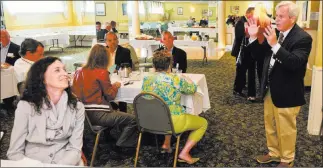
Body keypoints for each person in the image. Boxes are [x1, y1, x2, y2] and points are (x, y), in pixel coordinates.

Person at [246, 1, 313, 167]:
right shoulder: (277, 33)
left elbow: (294, 63)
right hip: (270, 89)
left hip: (288, 92)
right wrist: (254, 37)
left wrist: (275, 44)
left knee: (286, 129)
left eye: (281, 16)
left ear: (292, 18)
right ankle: (274, 153)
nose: (277, 19)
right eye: (276, 16)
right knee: (270, 125)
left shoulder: (303, 38)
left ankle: (287, 159)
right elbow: (259, 56)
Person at [7, 56, 85, 166]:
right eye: (57, 70)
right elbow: (14, 152)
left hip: (66, 161)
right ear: (42, 77)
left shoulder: (77, 107)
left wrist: (60, 165)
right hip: (32, 162)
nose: (65, 74)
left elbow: (75, 148)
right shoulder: (26, 106)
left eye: (64, 69)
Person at [142, 50, 208, 164]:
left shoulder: (146, 79)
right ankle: (184, 153)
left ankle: (166, 144)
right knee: (203, 123)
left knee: (165, 111)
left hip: (150, 120)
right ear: (170, 65)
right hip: (173, 122)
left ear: (153, 65)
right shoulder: (176, 79)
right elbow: (192, 89)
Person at [72, 44, 137, 148]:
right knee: (133, 120)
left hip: (82, 115)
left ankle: (108, 136)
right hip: (98, 115)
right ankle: (122, 144)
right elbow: (110, 95)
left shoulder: (78, 72)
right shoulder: (102, 72)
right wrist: (115, 86)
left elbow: (92, 88)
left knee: (114, 107)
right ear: (105, 58)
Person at [232, 7, 256, 101]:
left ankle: (242, 85)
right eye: (253, 14)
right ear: (248, 13)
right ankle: (237, 90)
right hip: (240, 51)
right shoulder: (240, 22)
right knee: (240, 71)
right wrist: (249, 34)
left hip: (247, 51)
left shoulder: (248, 22)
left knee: (244, 70)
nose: (254, 16)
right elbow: (239, 36)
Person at [0, 29, 21, 111]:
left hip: (9, 73)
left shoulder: (16, 48)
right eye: (1, 37)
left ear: (9, 37)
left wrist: (11, 64)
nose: (3, 39)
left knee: (8, 89)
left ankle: (10, 104)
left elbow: (20, 60)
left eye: (5, 36)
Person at [253, 3, 272, 86]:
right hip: (266, 43)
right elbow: (269, 32)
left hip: (257, 44)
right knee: (266, 64)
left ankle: (261, 82)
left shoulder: (255, 18)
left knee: (259, 65)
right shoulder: (268, 19)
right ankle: (265, 82)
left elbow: (253, 32)